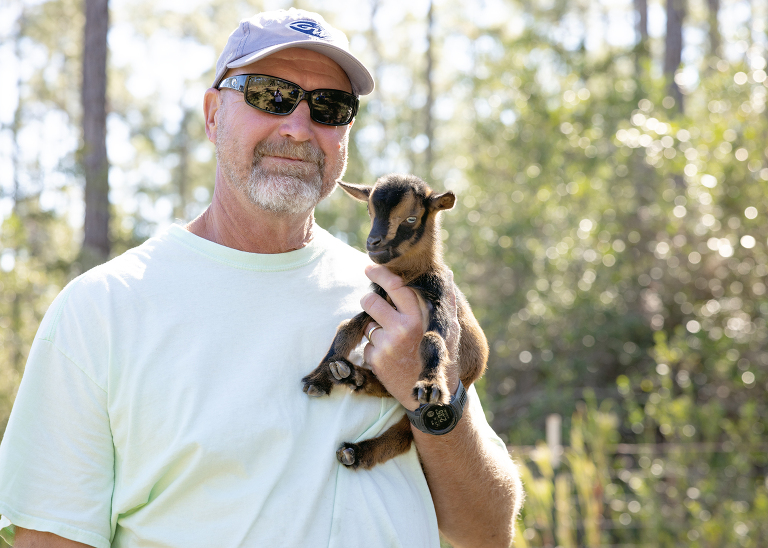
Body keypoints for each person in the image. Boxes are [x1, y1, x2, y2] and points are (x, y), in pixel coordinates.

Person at [0, 9, 522, 548]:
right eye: (270, 95)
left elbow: (486, 531)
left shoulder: (397, 299)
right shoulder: (101, 310)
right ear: (213, 115)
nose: (298, 127)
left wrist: (434, 405)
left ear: (345, 134)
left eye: (329, 106)